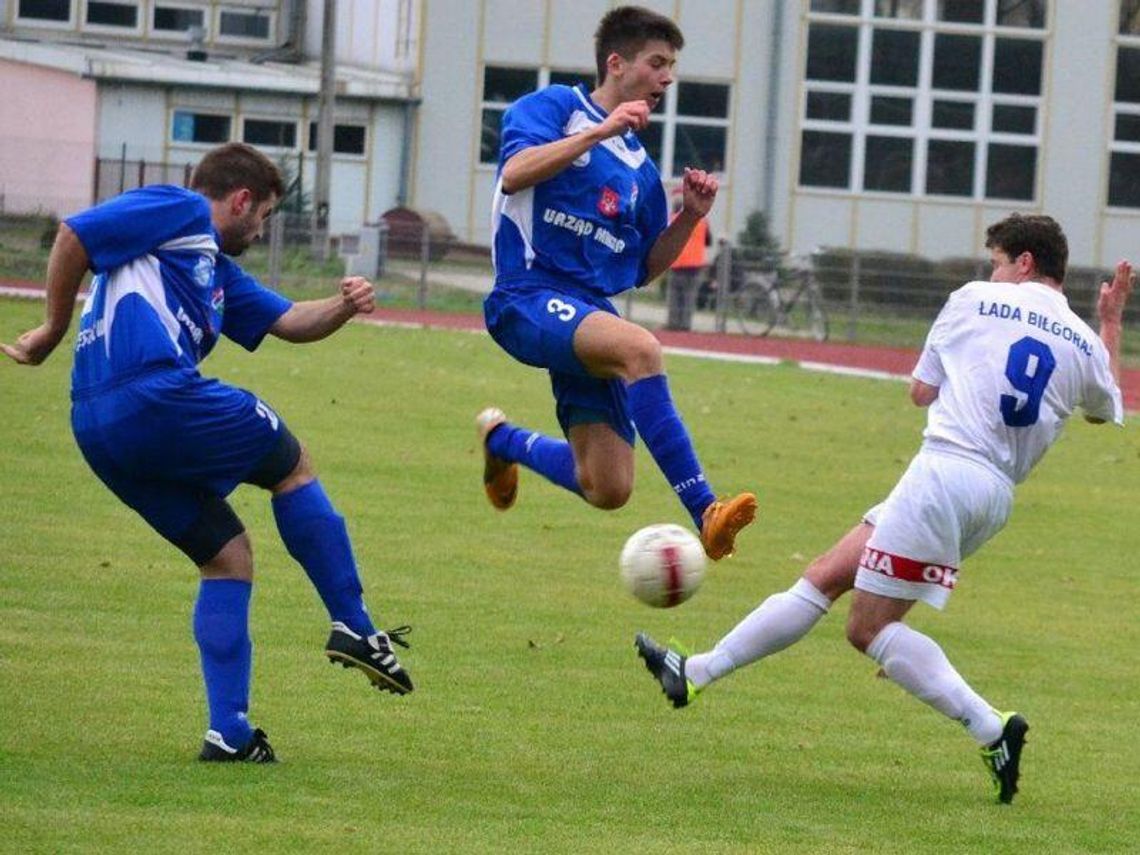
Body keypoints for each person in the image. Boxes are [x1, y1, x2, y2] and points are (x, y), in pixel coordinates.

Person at [635, 214, 1132, 804]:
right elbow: (1104, 409)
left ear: (1024, 263)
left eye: (998, 260)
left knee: (868, 628)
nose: (991, 272)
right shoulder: (1080, 339)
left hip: (944, 472)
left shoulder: (975, 299)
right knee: (825, 574)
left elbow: (920, 391)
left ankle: (991, 728)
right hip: (993, 494)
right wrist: (1109, 321)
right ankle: (694, 674)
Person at [2, 142, 413, 763]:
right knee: (291, 465)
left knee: (228, 557)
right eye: (265, 215)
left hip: (98, 428)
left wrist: (345, 306)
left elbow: (291, 322)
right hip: (152, 394)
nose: (262, 228)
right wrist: (53, 329)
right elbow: (73, 235)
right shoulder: (181, 209)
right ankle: (354, 622)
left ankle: (230, 733)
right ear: (242, 199)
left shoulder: (214, 271)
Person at [477, 5, 756, 561]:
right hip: (525, 296)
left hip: (587, 310)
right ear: (616, 64)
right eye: (657, 63)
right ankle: (705, 508)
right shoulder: (556, 108)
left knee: (609, 487)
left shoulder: (640, 171)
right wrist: (599, 132)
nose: (667, 78)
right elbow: (514, 172)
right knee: (642, 349)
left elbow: (643, 271)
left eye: (672, 66)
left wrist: (688, 218)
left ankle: (501, 441)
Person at [664, 195, 710, 330]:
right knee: (689, 297)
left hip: (677, 263)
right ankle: (685, 325)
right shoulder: (702, 221)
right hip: (695, 264)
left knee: (674, 296)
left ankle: (673, 324)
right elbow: (708, 241)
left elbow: (665, 239)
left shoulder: (672, 219)